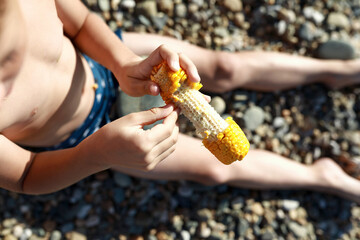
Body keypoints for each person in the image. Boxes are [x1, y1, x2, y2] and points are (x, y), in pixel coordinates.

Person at [0, 0, 359, 204]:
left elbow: (78, 24)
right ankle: (321, 175)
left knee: (224, 66)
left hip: (105, 61)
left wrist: (124, 63)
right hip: (92, 134)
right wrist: (97, 155)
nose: (9, 77)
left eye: (8, 60)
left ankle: (333, 70)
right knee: (215, 168)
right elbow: (26, 173)